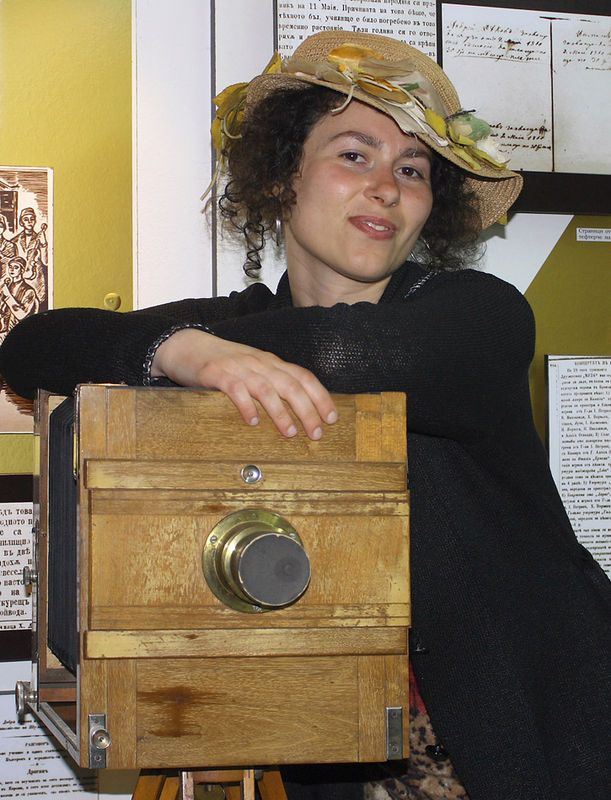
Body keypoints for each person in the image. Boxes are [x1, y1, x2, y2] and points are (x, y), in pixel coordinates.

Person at [0, 30, 609, 800]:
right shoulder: (228, 329)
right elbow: (32, 346)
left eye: (412, 169)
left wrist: (187, 353)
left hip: (535, 739)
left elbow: (344, 354)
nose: (385, 187)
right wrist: (179, 348)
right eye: (354, 155)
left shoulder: (477, 315)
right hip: (339, 750)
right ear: (281, 176)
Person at [0, 256, 40, 338]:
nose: (12, 269)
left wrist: (7, 294)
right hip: (4, 331)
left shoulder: (29, 291)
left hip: (20, 333)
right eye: (10, 267)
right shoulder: (7, 286)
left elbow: (21, 314)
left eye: (16, 267)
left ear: (22, 270)